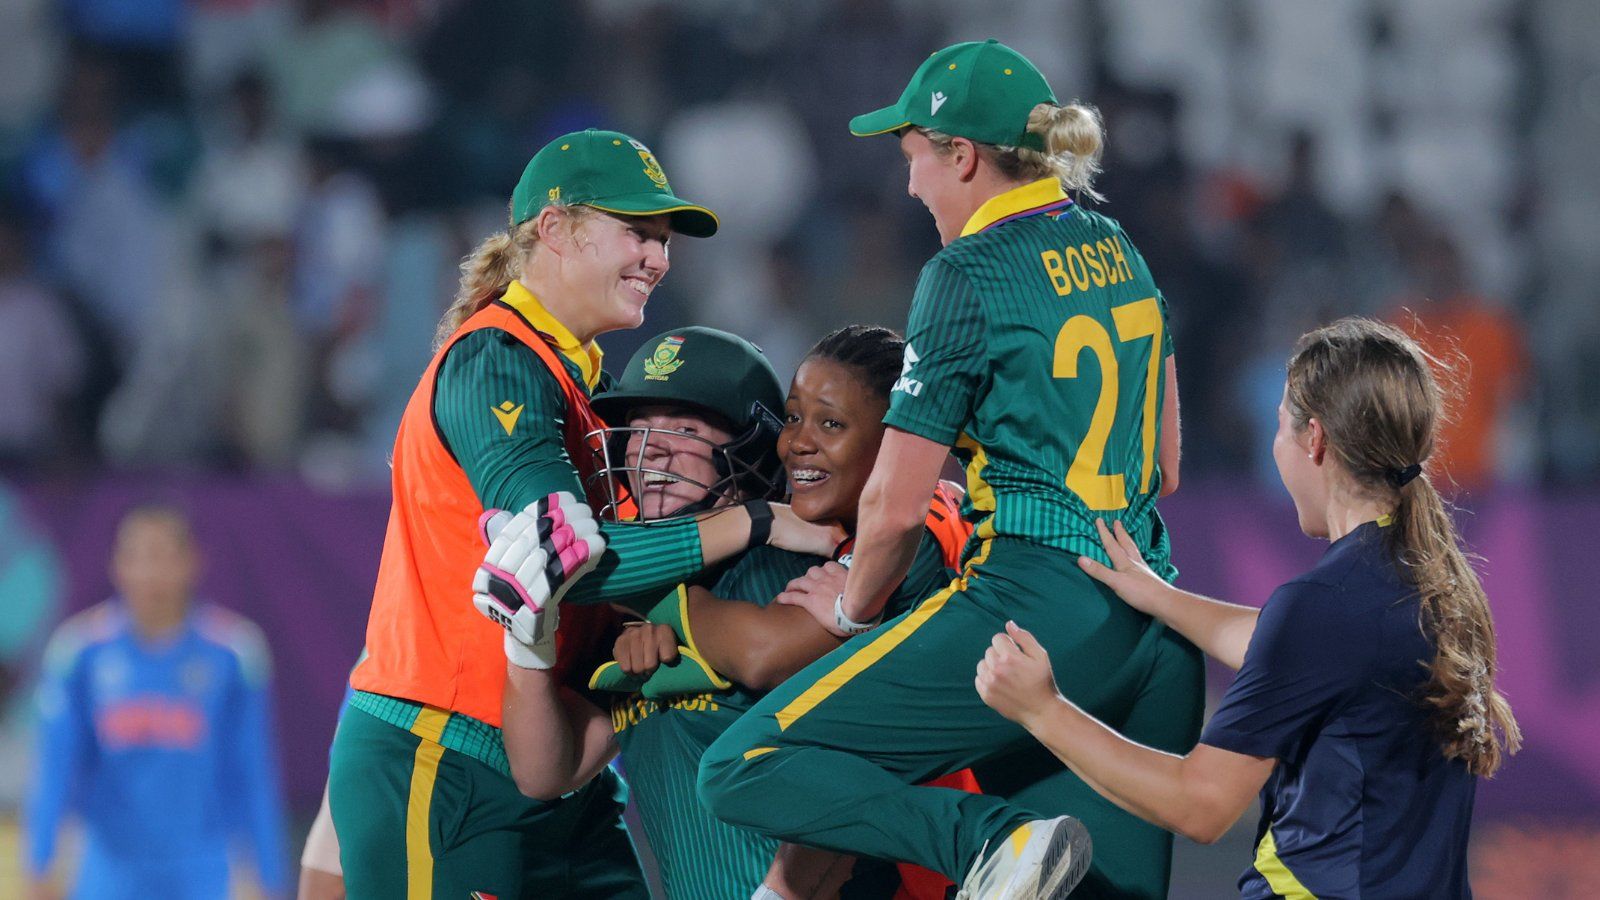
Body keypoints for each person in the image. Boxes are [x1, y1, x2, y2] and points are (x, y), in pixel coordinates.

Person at [694, 40, 1203, 900]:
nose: (910, 186)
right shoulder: (1116, 245)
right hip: (1156, 623)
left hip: (1033, 612)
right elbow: (1166, 464)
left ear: (961, 156)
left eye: (914, 159)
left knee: (746, 764)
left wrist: (851, 611)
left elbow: (894, 509)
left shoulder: (965, 272)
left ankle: (985, 840)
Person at [329, 128, 838, 899]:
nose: (658, 259)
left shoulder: (583, 384)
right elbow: (557, 556)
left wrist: (645, 625)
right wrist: (759, 521)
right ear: (556, 229)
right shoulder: (496, 359)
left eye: (664, 241)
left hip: (564, 772)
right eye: (637, 232)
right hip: (445, 758)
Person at [977, 317, 1522, 898]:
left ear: (1315, 440)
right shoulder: (1434, 584)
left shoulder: (1324, 606)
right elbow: (1297, 652)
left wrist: (1042, 710)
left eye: (1280, 425)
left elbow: (1202, 805)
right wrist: (1160, 596)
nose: (1275, 444)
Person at [478, 324, 970, 900]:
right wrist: (528, 645)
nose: (651, 447)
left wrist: (643, 599)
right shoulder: (644, 606)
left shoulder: (807, 562)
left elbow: (765, 654)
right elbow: (545, 772)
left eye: (686, 429)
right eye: (637, 426)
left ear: (750, 449)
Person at [25, 505, 289, 900]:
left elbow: (251, 771)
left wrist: (268, 874)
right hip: (108, 872)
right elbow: (55, 768)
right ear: (117, 565)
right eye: (139, 556)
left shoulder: (234, 652)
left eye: (164, 556)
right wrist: (41, 862)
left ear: (192, 562)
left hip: (203, 870)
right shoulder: (79, 651)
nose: (151, 573)